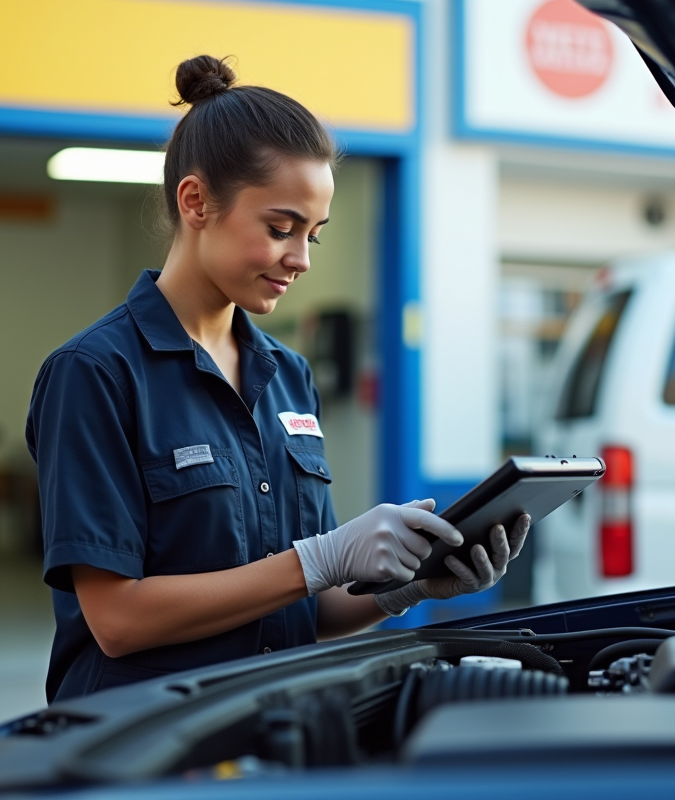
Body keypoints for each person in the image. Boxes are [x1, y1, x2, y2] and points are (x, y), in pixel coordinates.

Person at [26, 55, 530, 703]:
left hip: (275, 728)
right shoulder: (95, 373)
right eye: (280, 228)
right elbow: (118, 622)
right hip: (144, 743)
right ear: (196, 201)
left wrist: (409, 587)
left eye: (313, 237)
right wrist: (318, 559)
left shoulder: (288, 376)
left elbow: (303, 615)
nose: (300, 259)